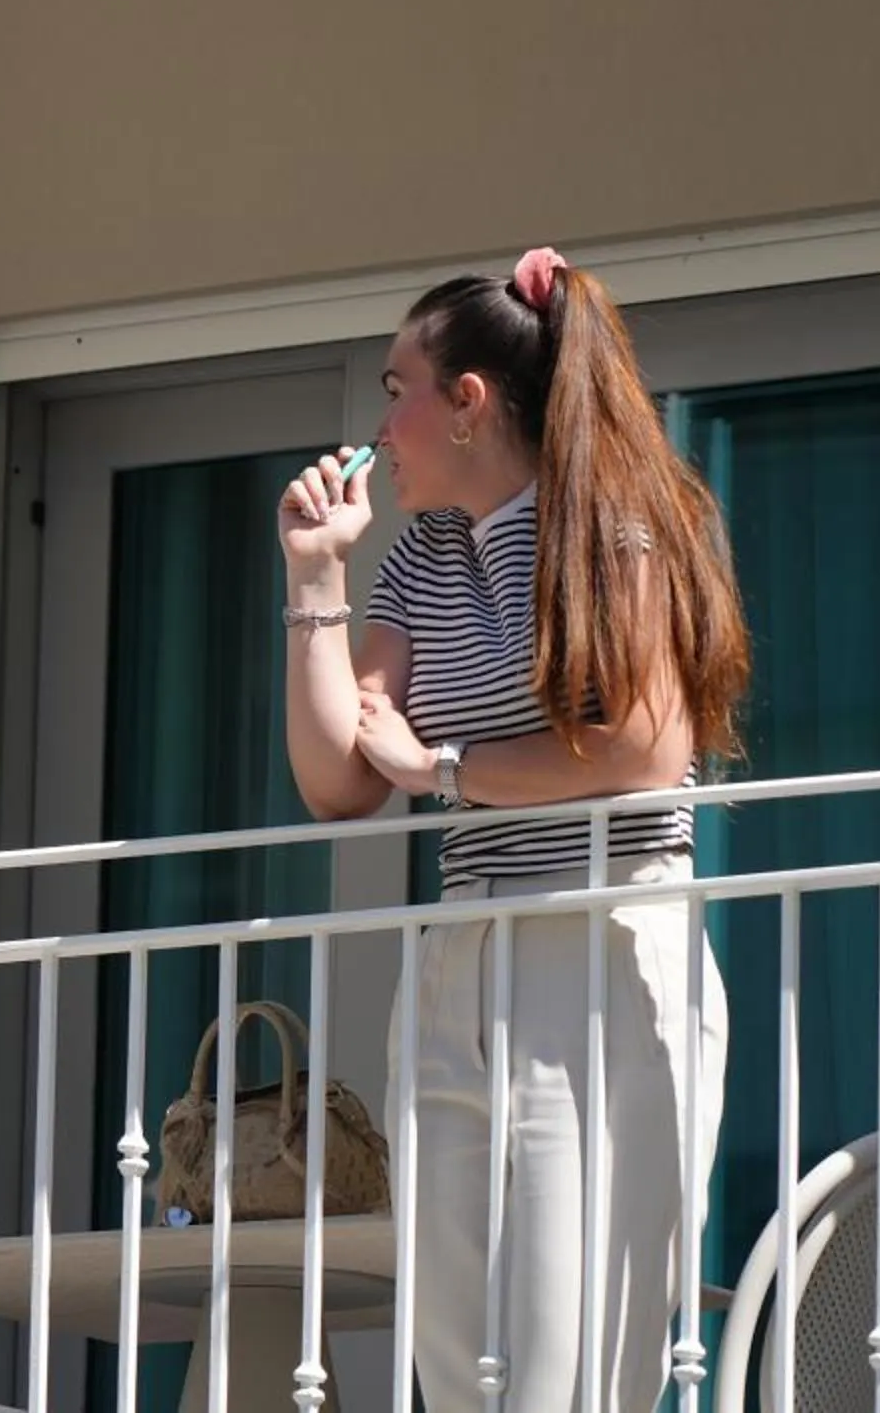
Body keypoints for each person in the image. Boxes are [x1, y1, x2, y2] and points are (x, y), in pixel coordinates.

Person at [278, 248, 749, 1413]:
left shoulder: (615, 529)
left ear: (470, 400)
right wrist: (316, 581)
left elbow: (649, 746)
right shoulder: (423, 553)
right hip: (464, 951)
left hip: (595, 944)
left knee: (565, 1348)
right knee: (454, 1336)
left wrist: (442, 766)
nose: (382, 422)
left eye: (399, 387)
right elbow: (340, 779)